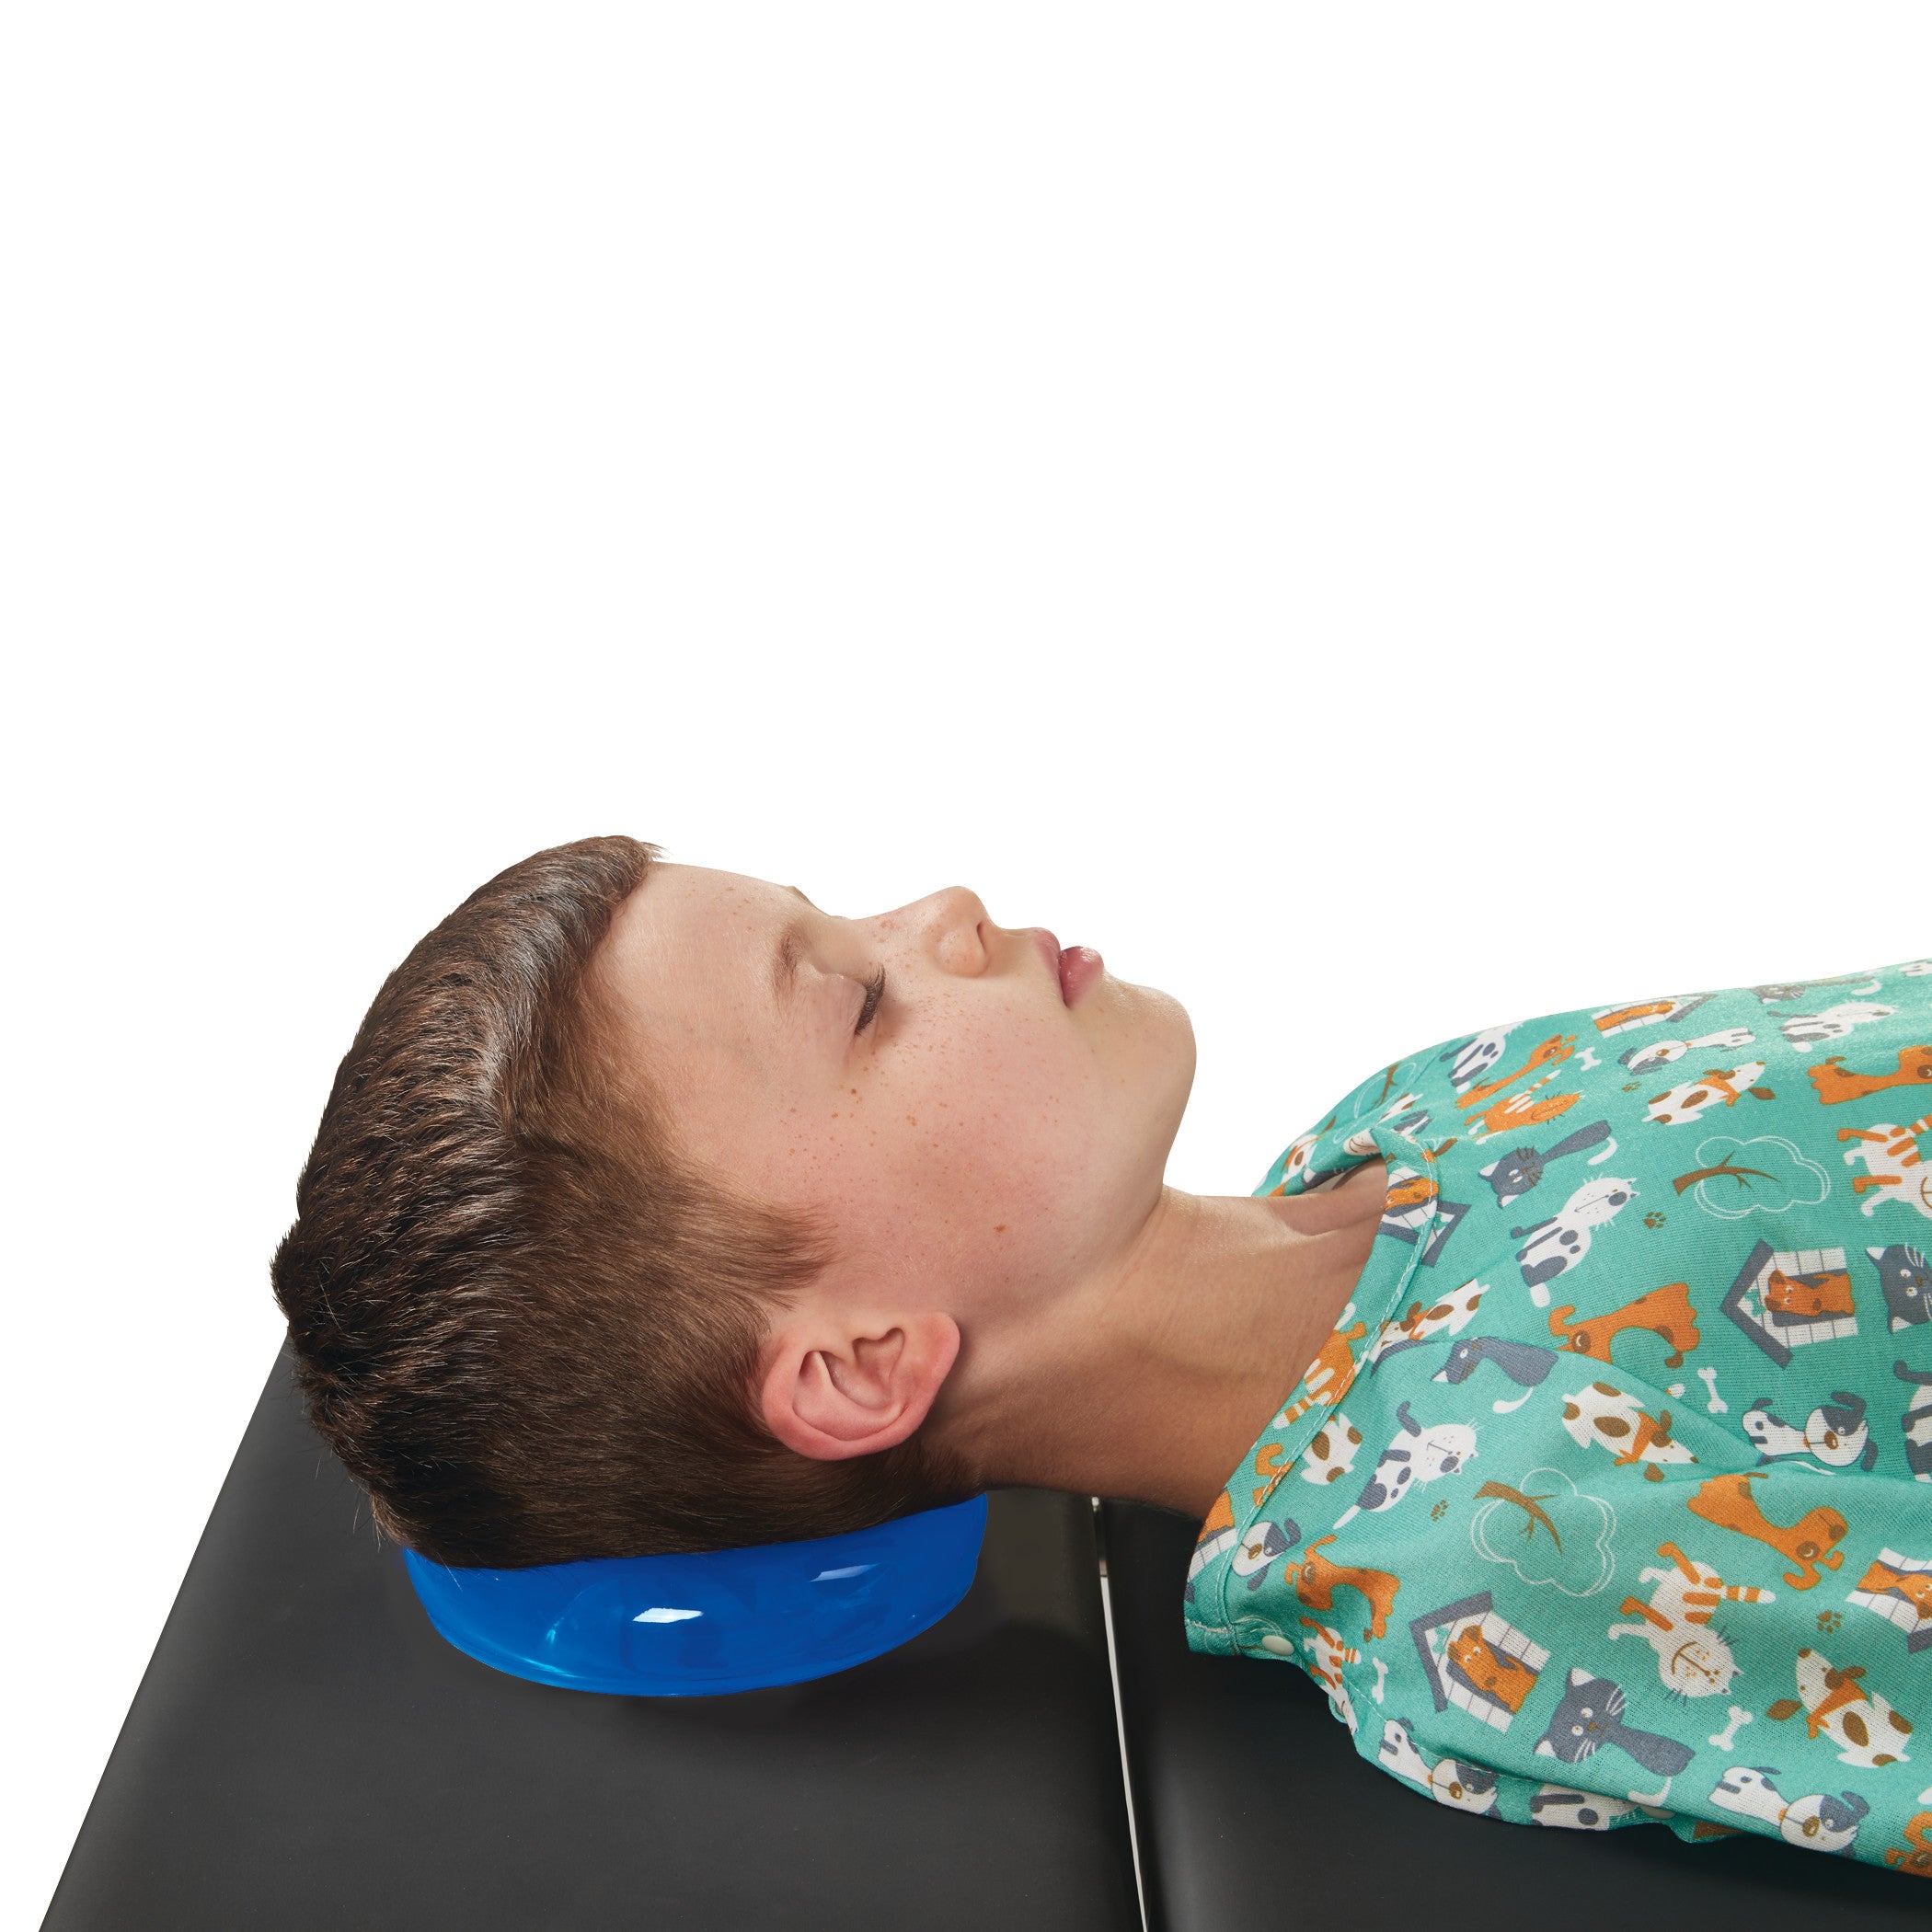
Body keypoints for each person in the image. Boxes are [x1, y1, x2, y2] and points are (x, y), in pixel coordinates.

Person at [272, 836, 1932, 1877]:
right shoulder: (1495, 1565)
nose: (944, 911)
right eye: (857, 1003)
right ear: (859, 1366)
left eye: (844, 908)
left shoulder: (1410, 1111)